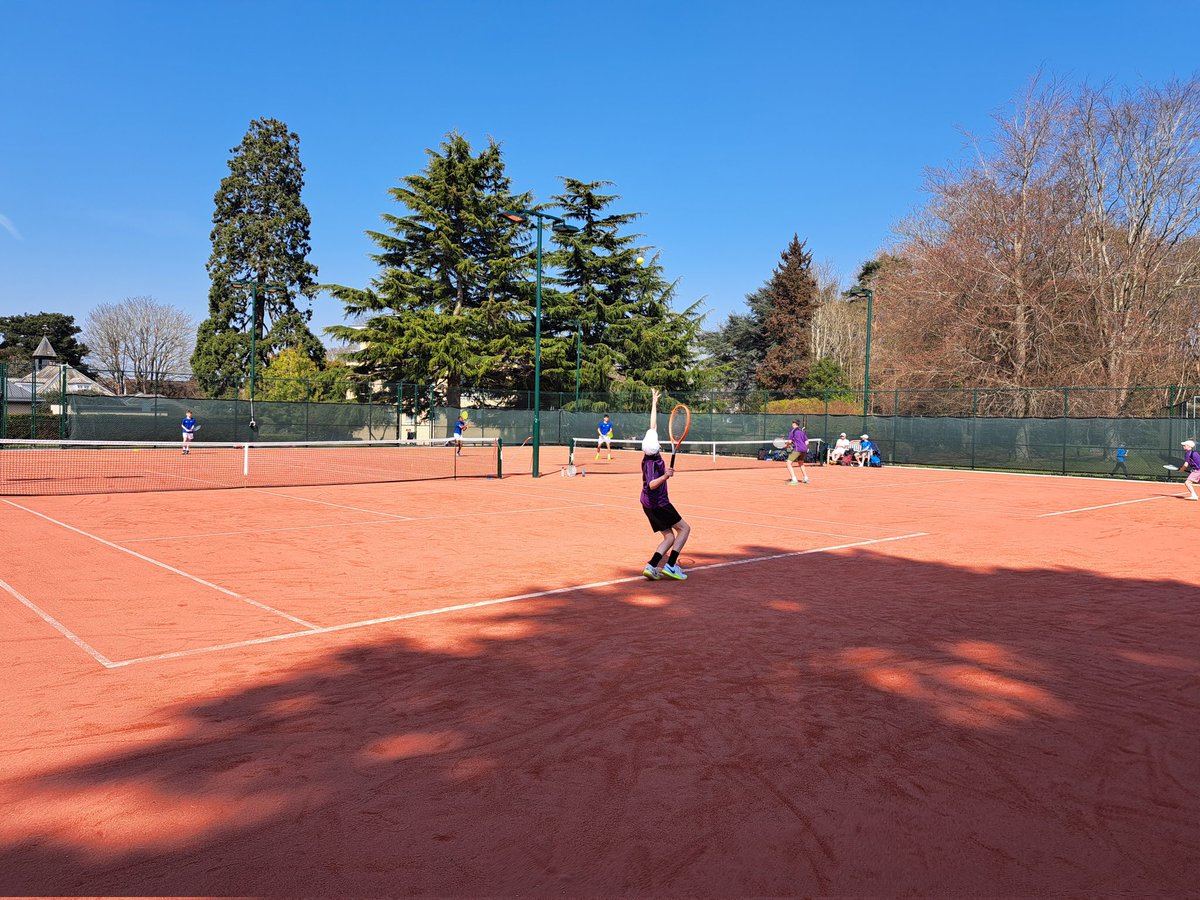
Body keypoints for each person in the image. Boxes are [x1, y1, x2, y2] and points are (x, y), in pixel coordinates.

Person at [641, 389, 691, 581]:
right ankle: (670, 566)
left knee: (669, 537)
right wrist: (665, 476)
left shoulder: (648, 454)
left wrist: (654, 402)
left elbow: (652, 425)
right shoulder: (654, 463)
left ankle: (652, 565)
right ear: (658, 446)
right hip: (658, 503)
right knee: (685, 529)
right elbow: (652, 484)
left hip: (647, 504)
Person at [784, 419, 810, 485]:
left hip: (798, 449)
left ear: (793, 424)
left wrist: (786, 445)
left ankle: (794, 479)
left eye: (792, 423)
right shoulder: (802, 432)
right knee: (801, 463)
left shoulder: (792, 431)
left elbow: (789, 442)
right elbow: (807, 442)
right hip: (804, 449)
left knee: (788, 463)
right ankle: (806, 478)